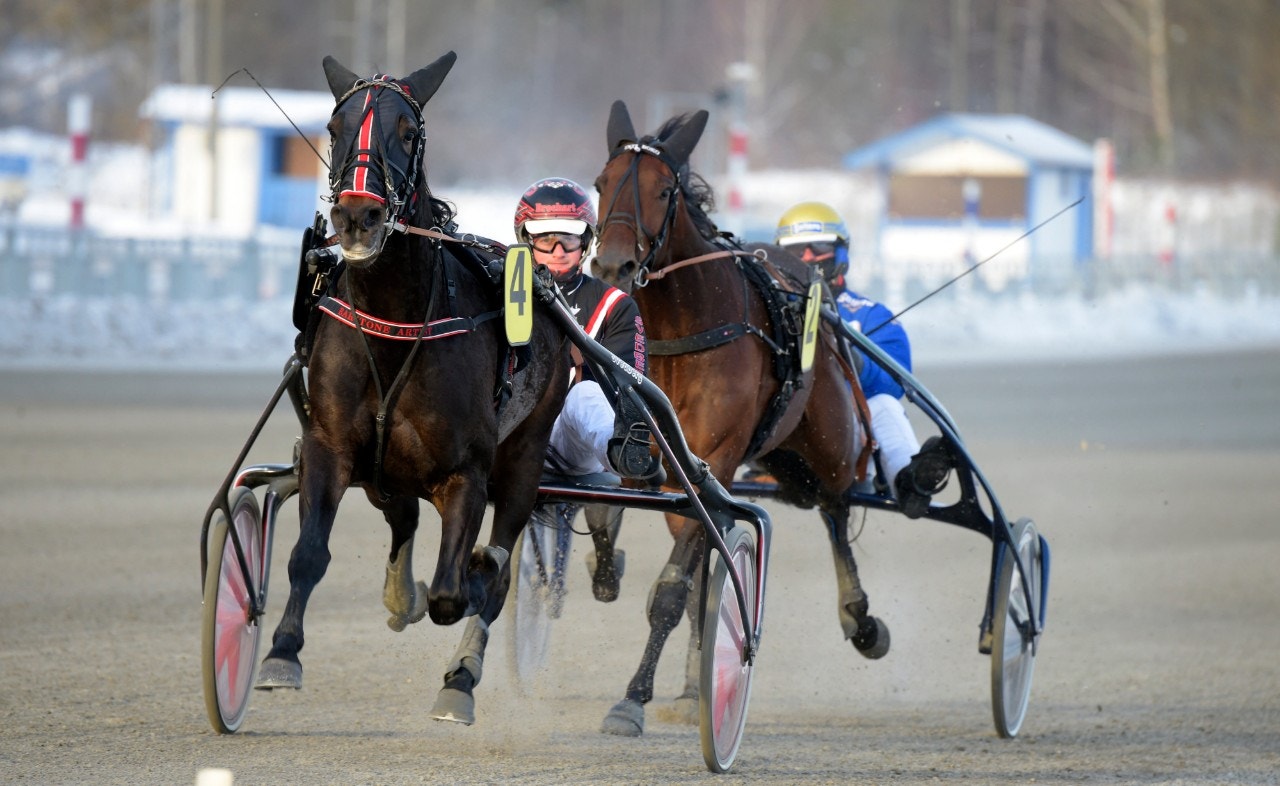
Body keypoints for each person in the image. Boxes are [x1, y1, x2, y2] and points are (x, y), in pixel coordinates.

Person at [512, 177, 655, 605]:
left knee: (583, 396)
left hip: (572, 435)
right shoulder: (498, 290)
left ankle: (621, 453)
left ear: (586, 242)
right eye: (546, 238)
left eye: (569, 239)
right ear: (526, 240)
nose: (558, 249)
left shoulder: (615, 305)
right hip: (507, 428)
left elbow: (624, 383)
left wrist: (571, 358)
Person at [773, 201, 951, 518]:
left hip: (848, 433)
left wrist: (852, 359)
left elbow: (894, 383)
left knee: (883, 404)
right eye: (797, 249)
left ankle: (909, 481)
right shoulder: (764, 313)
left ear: (841, 251)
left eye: (820, 246)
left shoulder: (870, 315)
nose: (808, 257)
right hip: (783, 430)